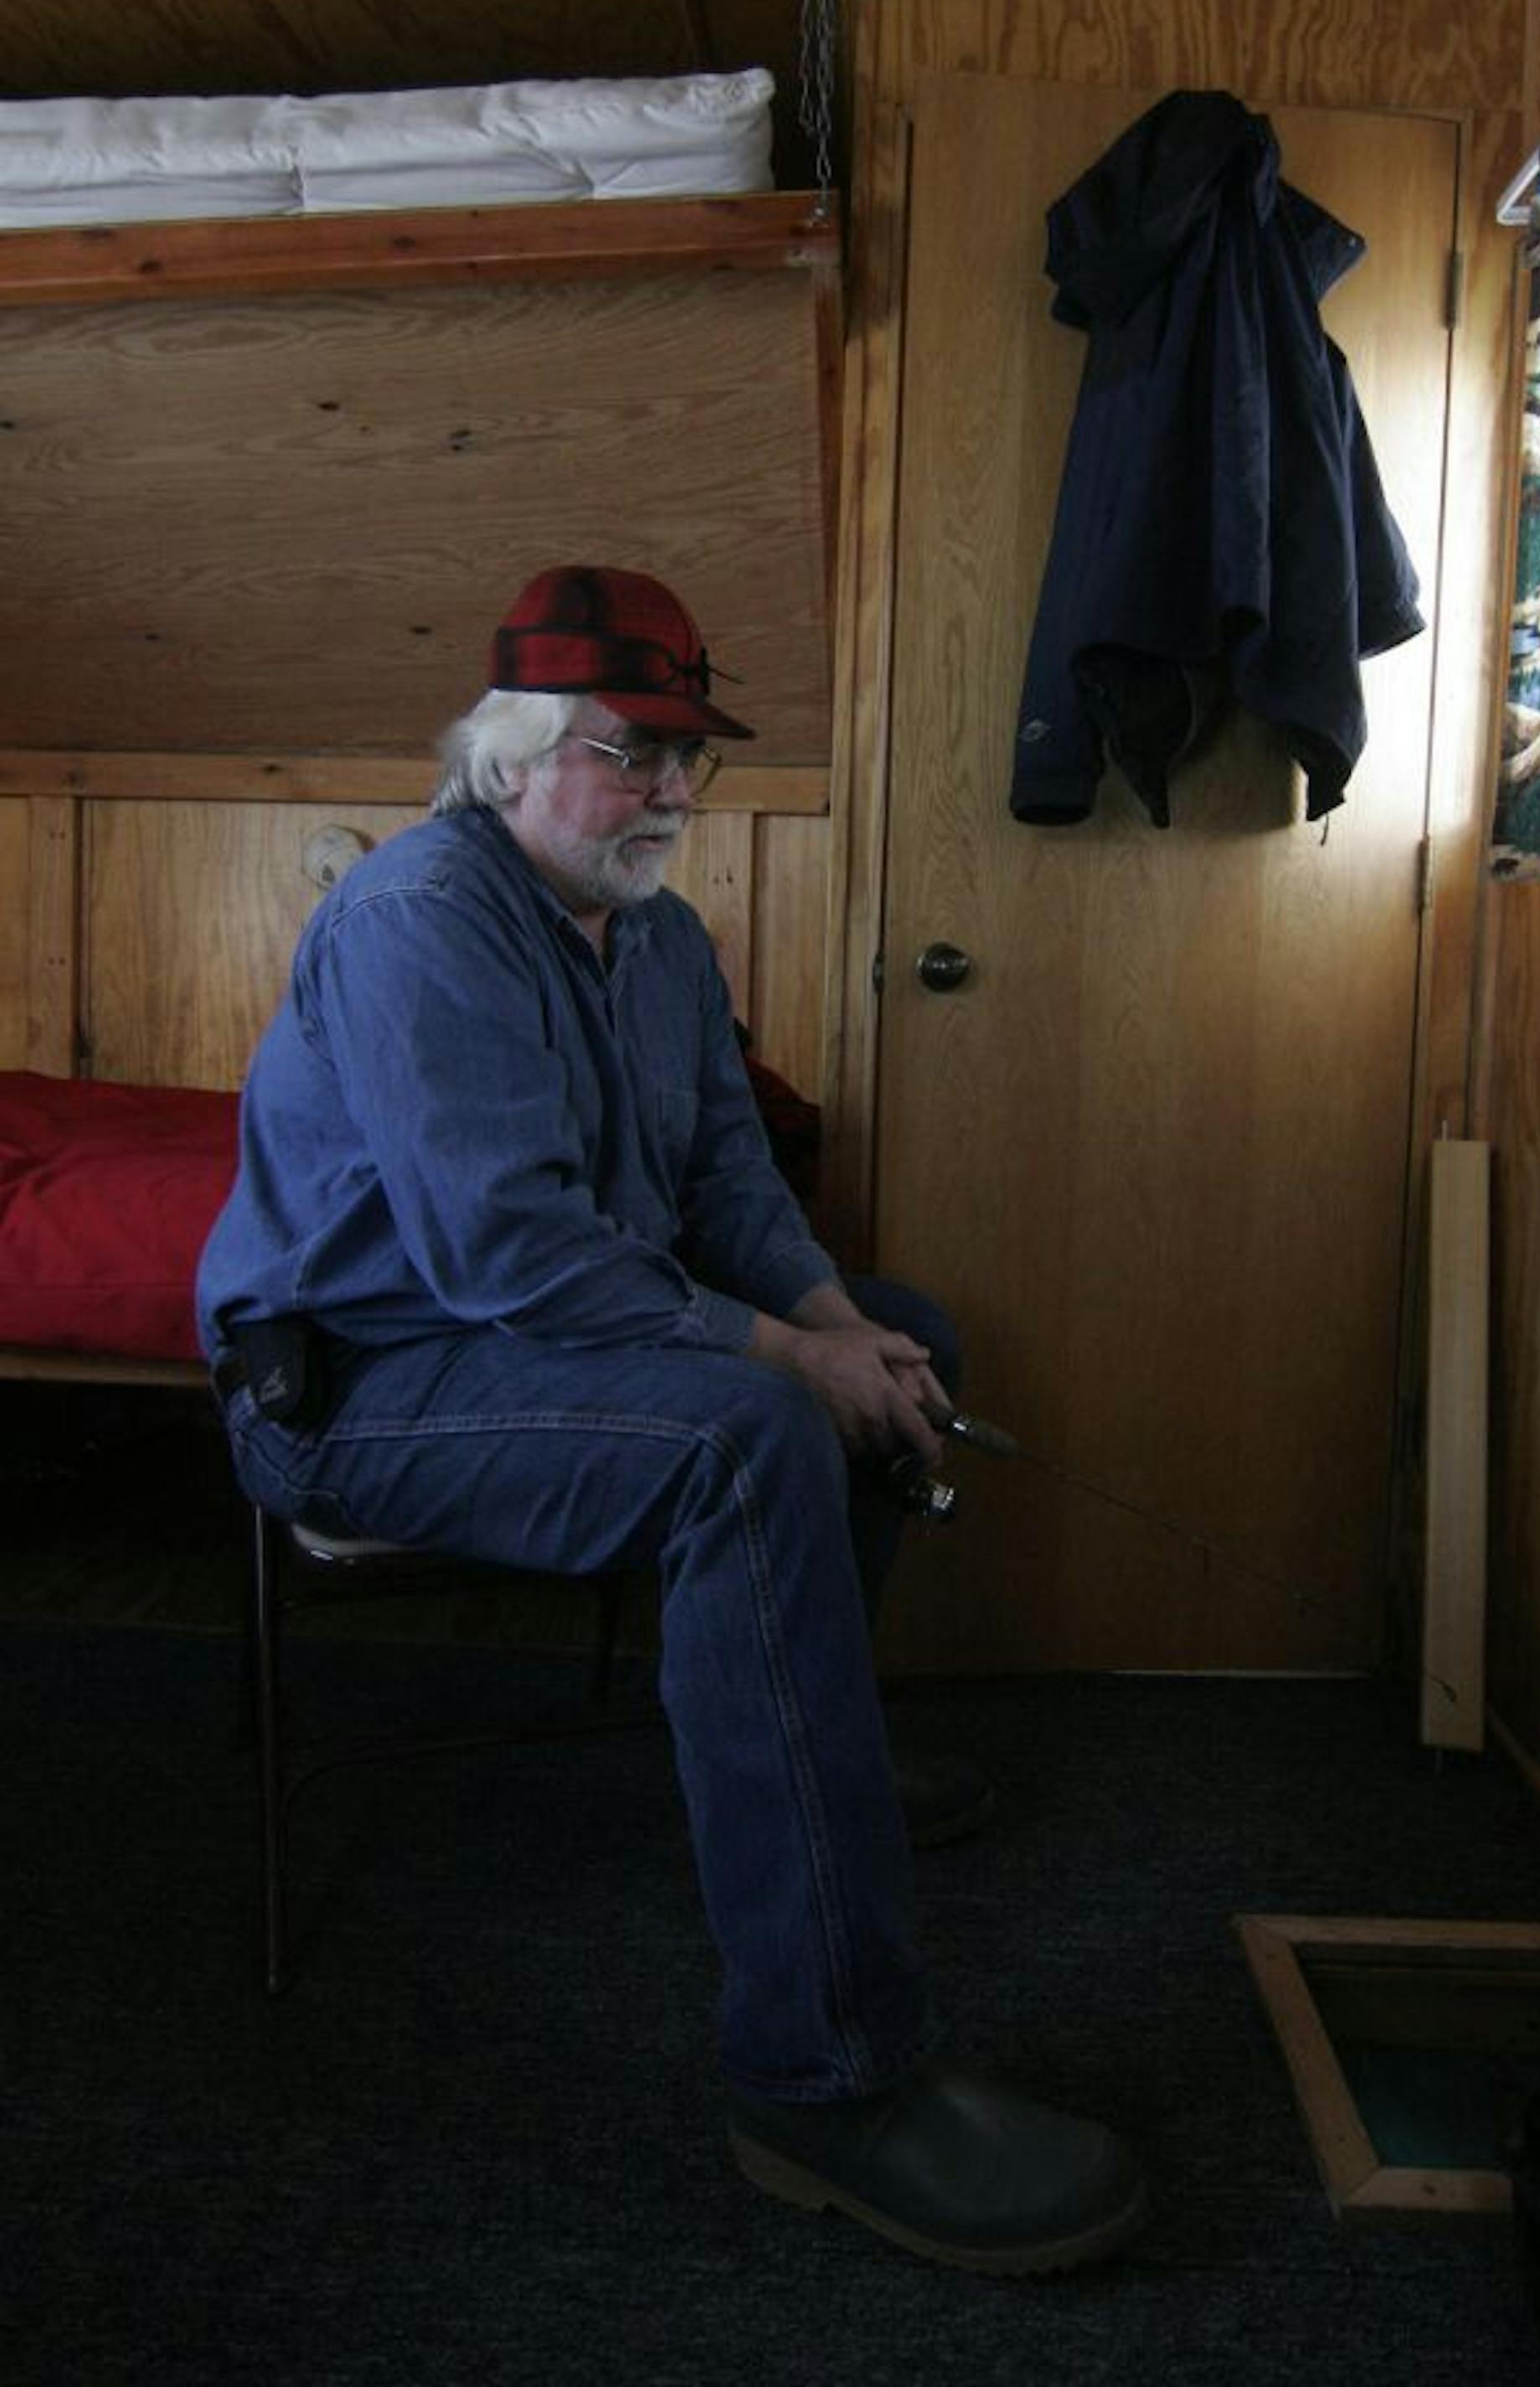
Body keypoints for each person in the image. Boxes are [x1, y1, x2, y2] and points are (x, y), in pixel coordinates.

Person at [197, 564, 1146, 2274]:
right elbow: (508, 1252)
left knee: (909, 1338)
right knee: (747, 1438)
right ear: (508, 762)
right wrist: (785, 1367)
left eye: (687, 761)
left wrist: (839, 1321)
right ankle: (828, 2078)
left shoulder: (661, 938)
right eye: (627, 754)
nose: (672, 797)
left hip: (529, 1344)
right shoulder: (422, 918)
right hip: (361, 1383)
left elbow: (720, 1175)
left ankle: (797, 1758)